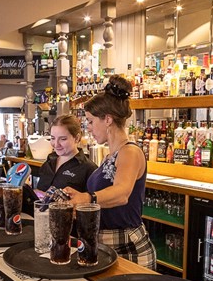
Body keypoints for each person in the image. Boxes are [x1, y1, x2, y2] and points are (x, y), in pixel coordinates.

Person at [64, 75, 156, 270]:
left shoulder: (130, 151)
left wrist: (87, 198)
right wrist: (77, 202)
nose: (88, 128)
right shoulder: (109, 156)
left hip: (128, 246)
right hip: (105, 243)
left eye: (90, 121)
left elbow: (122, 193)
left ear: (107, 119)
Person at [36, 114, 97, 194]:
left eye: (63, 139)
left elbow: (93, 203)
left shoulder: (89, 169)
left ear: (77, 138)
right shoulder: (49, 161)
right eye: (53, 138)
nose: (56, 144)